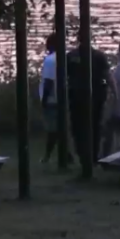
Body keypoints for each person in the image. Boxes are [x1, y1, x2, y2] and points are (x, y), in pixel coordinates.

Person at [66, 37, 116, 163]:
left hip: (79, 96)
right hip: (94, 96)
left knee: (79, 126)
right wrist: (114, 91)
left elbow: (64, 76)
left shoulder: (72, 56)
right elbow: (107, 75)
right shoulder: (98, 56)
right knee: (93, 126)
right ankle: (91, 155)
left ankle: (84, 153)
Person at [38, 33, 73, 164]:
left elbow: (48, 81)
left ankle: (50, 156)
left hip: (52, 99)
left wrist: (44, 100)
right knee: (59, 129)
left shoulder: (50, 60)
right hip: (62, 98)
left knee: (53, 130)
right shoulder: (65, 58)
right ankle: (66, 155)